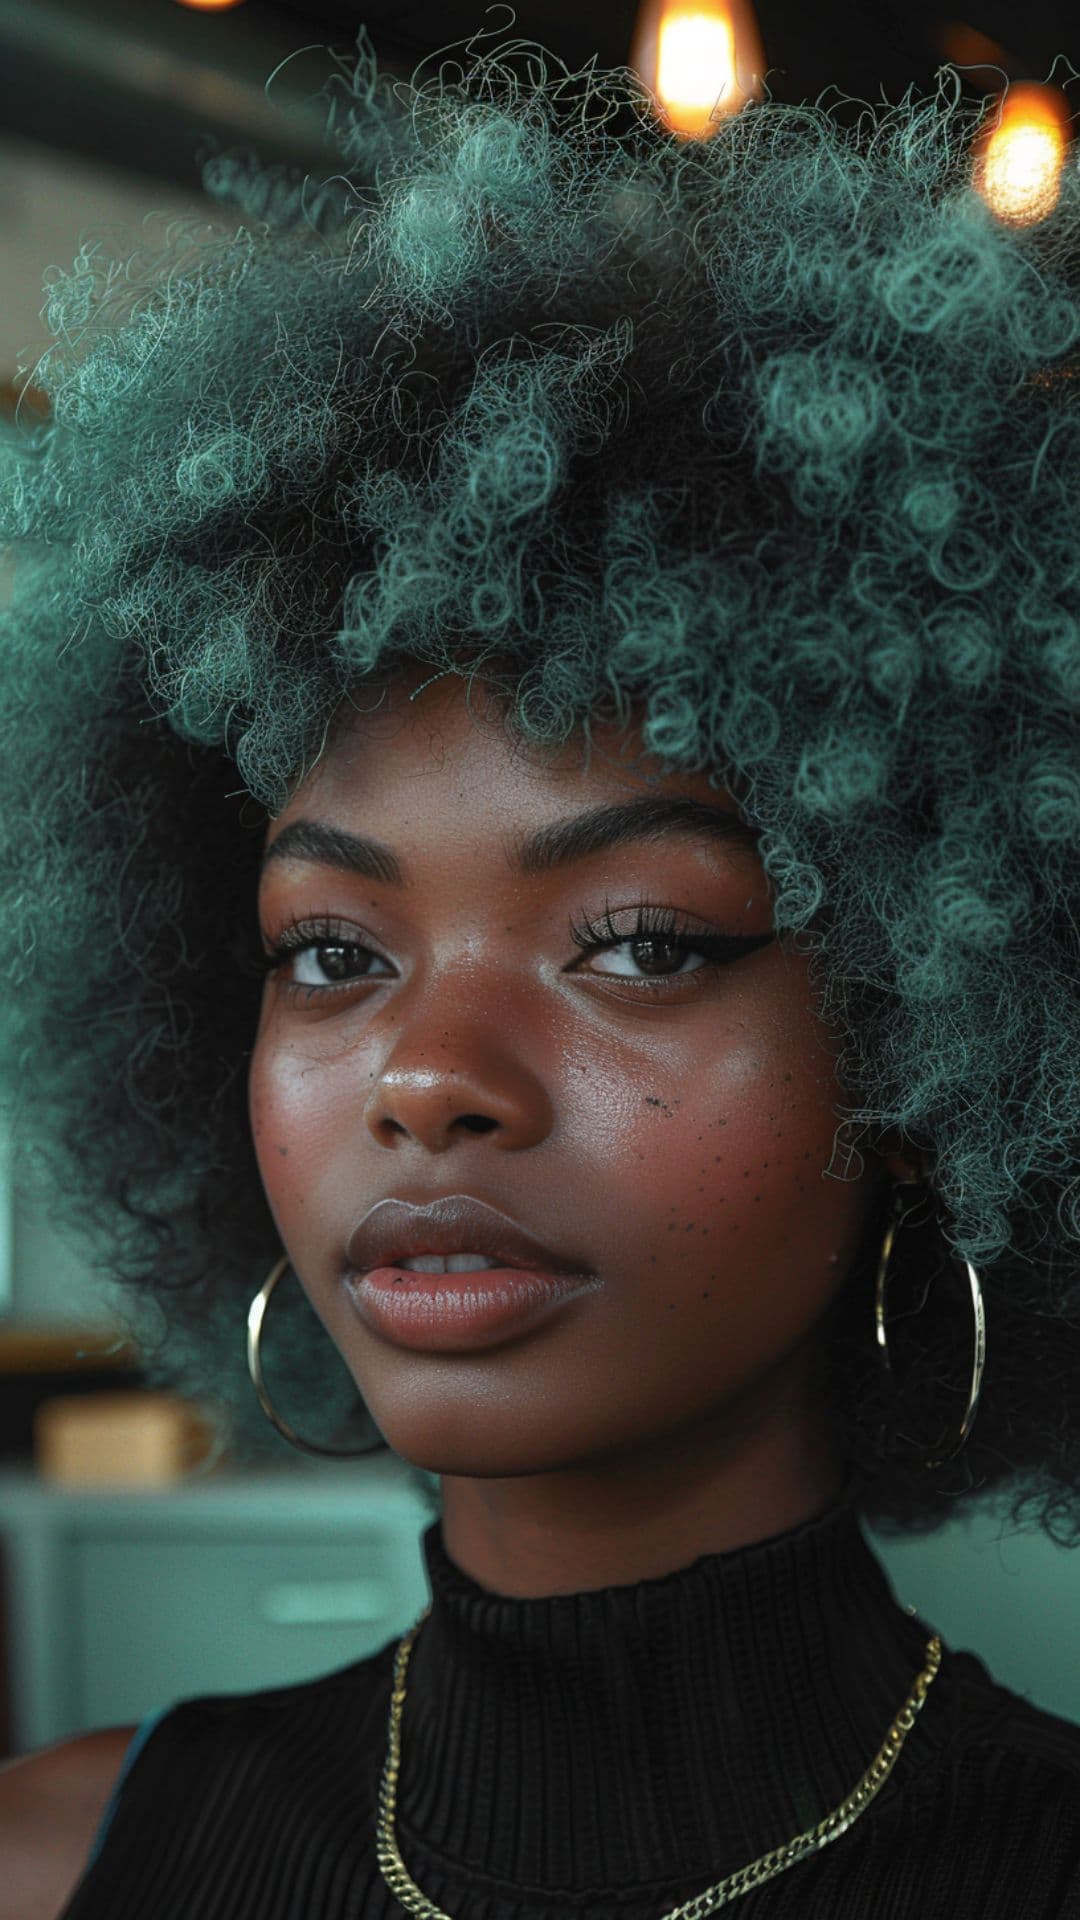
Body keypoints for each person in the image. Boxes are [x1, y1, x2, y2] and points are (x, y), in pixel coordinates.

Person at [1, 19, 1079, 1918]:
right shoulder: (57, 1868)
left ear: (933, 1054)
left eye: (641, 942)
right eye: (330, 951)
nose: (431, 1075)